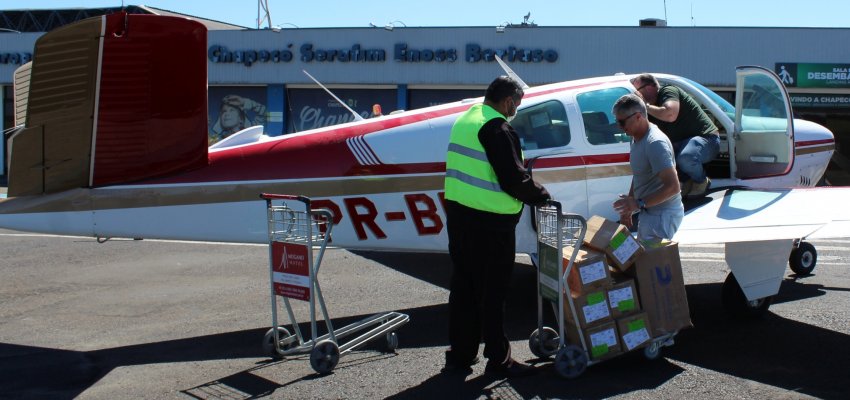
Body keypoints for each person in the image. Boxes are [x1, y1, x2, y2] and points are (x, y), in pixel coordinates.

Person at [443, 76, 550, 377]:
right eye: (517, 103)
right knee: (493, 292)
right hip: (491, 225)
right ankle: (498, 357)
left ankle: (461, 354)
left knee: (464, 287)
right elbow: (513, 178)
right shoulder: (498, 127)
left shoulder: (467, 119)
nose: (516, 108)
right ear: (508, 101)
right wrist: (541, 196)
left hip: (461, 218)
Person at [631, 73, 719, 198]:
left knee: (686, 157)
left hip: (707, 140)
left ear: (650, 87)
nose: (636, 95)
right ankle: (687, 181)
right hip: (679, 146)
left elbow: (670, 114)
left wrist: (645, 105)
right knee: (662, 158)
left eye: (636, 91)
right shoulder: (647, 112)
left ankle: (701, 181)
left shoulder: (668, 91)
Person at [612, 94, 684, 244]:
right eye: (617, 122)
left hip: (662, 215)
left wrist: (638, 203)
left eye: (622, 122)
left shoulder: (655, 143)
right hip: (650, 211)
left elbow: (673, 187)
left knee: (653, 263)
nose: (619, 126)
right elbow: (640, 174)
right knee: (645, 262)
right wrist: (630, 204)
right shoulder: (636, 138)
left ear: (638, 117)